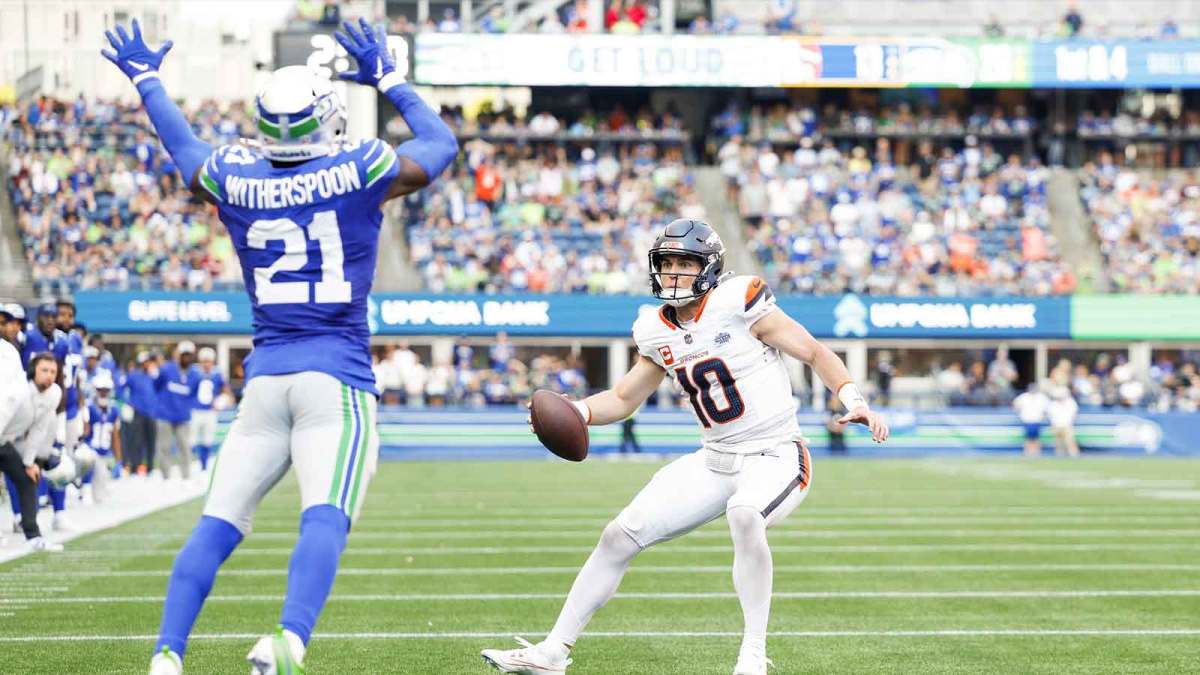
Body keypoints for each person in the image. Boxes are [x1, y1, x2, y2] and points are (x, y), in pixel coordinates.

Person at [102, 17, 457, 674]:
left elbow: (184, 148)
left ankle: (166, 654)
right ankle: (289, 639)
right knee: (325, 513)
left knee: (217, 521)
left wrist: (148, 80)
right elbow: (440, 143)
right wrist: (391, 79)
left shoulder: (235, 177)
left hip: (264, 380)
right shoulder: (362, 167)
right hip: (336, 376)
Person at [481, 220, 889, 675]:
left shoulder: (739, 301)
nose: (674, 273)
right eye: (668, 263)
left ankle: (753, 655)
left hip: (775, 453)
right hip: (714, 459)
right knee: (618, 536)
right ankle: (552, 653)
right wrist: (577, 412)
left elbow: (813, 352)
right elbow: (623, 398)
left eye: (686, 263)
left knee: (745, 513)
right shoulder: (654, 328)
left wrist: (854, 399)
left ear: (709, 267)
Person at [1, 352, 65, 552]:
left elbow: (39, 428)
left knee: (27, 480)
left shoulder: (54, 393)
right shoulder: (18, 390)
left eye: (53, 371)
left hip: (5, 442)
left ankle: (33, 537)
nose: (49, 375)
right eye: (44, 370)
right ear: (32, 371)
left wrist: (30, 462)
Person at [154, 341, 198, 481]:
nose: (186, 357)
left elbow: (193, 394)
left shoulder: (195, 375)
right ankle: (166, 477)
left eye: (189, 355)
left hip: (183, 416)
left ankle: (186, 477)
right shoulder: (167, 369)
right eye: (184, 354)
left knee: (185, 447)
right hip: (165, 414)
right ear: (179, 354)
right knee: (164, 447)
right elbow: (156, 385)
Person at [79, 369, 122, 503]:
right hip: (89, 450)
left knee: (101, 494)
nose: (103, 393)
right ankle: (83, 488)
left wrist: (118, 460)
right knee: (87, 460)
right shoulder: (89, 407)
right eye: (100, 390)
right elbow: (83, 430)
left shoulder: (114, 410)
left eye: (106, 390)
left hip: (104, 453)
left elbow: (115, 435)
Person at [190, 347, 229, 472]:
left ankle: (204, 466)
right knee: (192, 439)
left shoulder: (217, 374)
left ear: (212, 361)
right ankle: (189, 466)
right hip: (195, 410)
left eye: (209, 361)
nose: (206, 364)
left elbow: (226, 391)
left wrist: (221, 401)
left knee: (208, 440)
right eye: (204, 361)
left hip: (210, 411)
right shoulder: (193, 372)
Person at [1012, 383, 1049, 456]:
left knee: (1036, 438)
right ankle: (1027, 452)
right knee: (1027, 438)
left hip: (1037, 420)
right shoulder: (1024, 397)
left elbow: (1047, 408)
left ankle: (1037, 452)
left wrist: (1043, 416)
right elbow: (1015, 404)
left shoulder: (1041, 397)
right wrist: (1018, 412)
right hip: (1027, 420)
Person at [1047, 385, 1080, 457]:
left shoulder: (1070, 402)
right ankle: (1059, 456)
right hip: (1057, 425)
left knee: (1070, 441)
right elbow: (1050, 415)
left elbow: (1073, 414)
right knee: (1058, 443)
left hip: (1067, 425)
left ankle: (1074, 455)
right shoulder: (1053, 404)